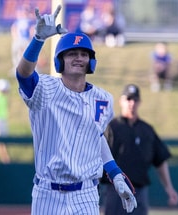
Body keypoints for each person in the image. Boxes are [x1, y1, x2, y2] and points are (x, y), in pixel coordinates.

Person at [15, 5, 137, 214]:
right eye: (71, 54)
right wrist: (38, 39)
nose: (78, 58)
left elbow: (96, 137)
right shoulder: (45, 89)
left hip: (86, 193)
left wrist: (115, 174)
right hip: (48, 193)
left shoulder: (103, 99)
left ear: (91, 61)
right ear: (60, 60)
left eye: (83, 54)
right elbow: (23, 74)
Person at [102, 84, 178, 215]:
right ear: (121, 101)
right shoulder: (111, 127)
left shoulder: (146, 130)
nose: (132, 103)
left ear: (139, 102)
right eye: (129, 99)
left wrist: (169, 188)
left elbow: (160, 160)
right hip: (115, 191)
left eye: (135, 99)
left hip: (139, 191)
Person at [10, 5, 35, 75]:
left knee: (26, 55)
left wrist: (31, 39)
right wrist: (15, 37)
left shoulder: (30, 21)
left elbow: (32, 30)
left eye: (26, 11)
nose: (24, 13)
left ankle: (28, 70)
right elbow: (13, 28)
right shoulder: (18, 20)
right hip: (18, 40)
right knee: (16, 54)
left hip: (26, 40)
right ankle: (16, 68)